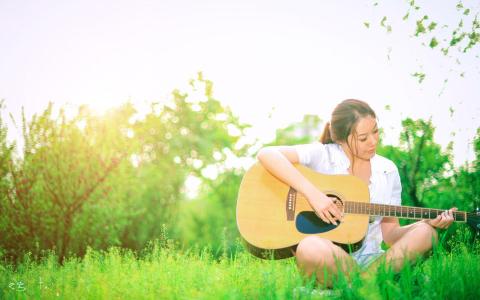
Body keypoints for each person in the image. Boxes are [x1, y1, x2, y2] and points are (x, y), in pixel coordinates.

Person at [256, 99, 456, 286]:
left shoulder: (387, 170)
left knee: (426, 233)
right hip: (330, 257)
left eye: (375, 132)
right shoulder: (323, 155)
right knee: (308, 247)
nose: (373, 142)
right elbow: (267, 154)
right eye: (363, 138)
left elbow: (391, 235)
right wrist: (313, 194)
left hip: (377, 261)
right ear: (342, 139)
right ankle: (372, 286)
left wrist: (424, 223)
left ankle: (358, 286)